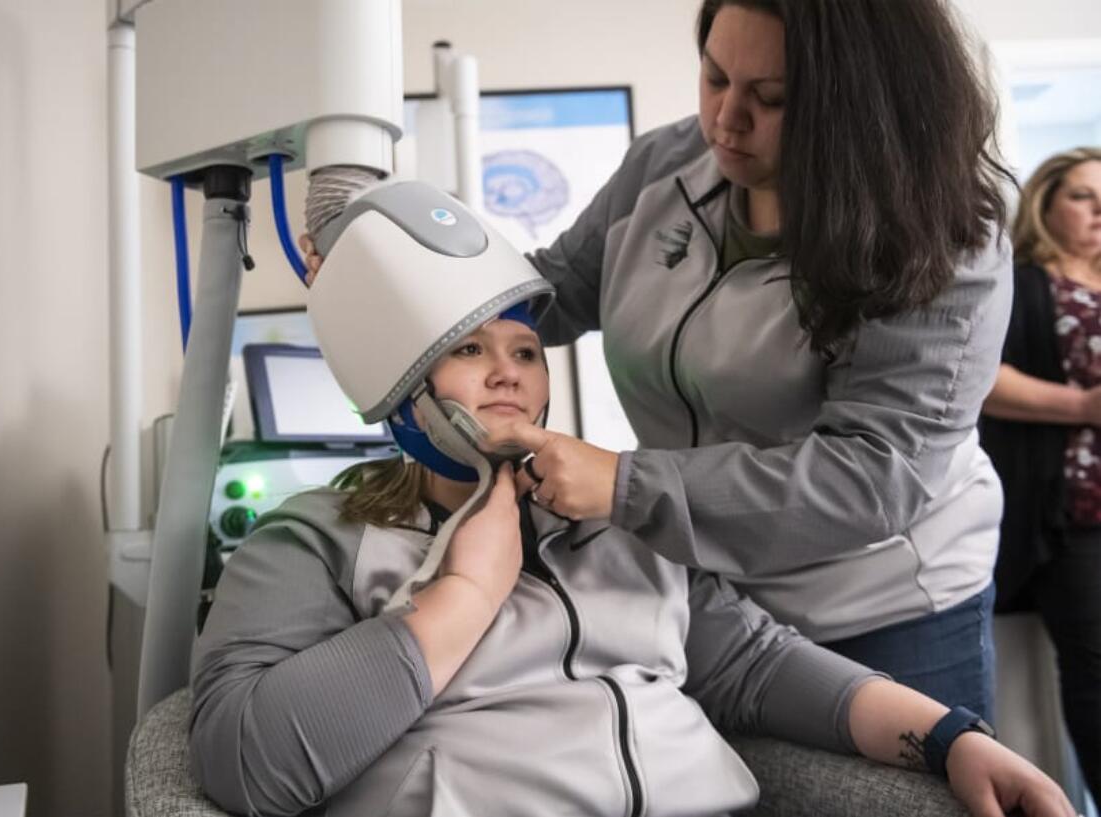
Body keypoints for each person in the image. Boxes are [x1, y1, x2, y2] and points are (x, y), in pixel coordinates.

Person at [302, 0, 1013, 720]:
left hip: (875, 604)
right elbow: (551, 294)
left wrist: (624, 484)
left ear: (860, 107)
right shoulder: (664, 166)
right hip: (704, 592)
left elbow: (874, 476)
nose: (726, 121)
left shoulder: (943, 241)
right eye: (714, 77)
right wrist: (397, 285)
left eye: (772, 99)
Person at [189, 308, 1072, 817]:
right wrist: (465, 593)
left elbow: (758, 664)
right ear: (402, 388)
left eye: (525, 352)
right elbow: (244, 756)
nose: (507, 372)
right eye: (467, 349)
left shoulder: (615, 520)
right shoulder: (320, 534)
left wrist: (952, 738)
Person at [979, 147, 1101, 800]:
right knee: (1096, 669)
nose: (1100, 209)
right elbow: (983, 381)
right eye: (1083, 195)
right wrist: (1082, 405)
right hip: (1073, 513)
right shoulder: (1021, 283)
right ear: (1047, 204)